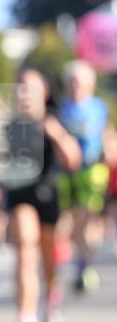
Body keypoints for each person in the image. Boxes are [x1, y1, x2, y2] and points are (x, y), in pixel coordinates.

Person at [5, 69, 80, 322]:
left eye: (30, 88)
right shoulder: (10, 126)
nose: (24, 93)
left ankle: (52, 295)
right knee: (25, 246)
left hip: (48, 194)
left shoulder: (54, 122)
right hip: (19, 195)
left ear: (44, 93)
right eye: (20, 87)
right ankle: (26, 316)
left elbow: (73, 160)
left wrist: (57, 135)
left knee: (48, 258)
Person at [57, 60, 111, 291]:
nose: (75, 85)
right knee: (74, 222)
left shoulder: (98, 107)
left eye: (79, 81)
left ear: (90, 83)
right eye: (71, 81)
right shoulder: (63, 108)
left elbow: (107, 134)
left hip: (93, 170)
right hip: (68, 172)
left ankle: (84, 265)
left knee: (86, 216)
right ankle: (81, 261)